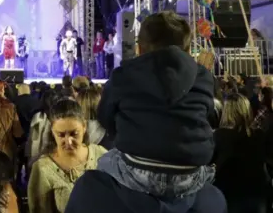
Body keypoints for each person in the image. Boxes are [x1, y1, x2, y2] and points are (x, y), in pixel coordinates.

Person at [66, 11, 225, 213]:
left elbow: (106, 119)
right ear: (188, 48)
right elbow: (209, 117)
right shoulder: (203, 77)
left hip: (136, 170)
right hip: (190, 174)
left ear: (140, 48)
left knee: (102, 162)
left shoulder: (124, 75)